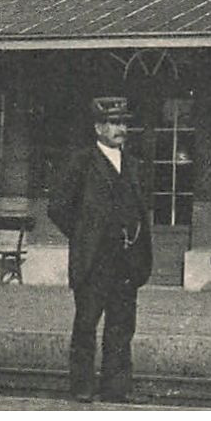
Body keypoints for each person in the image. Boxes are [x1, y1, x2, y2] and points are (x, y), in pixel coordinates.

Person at [48, 97, 154, 403]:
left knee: (121, 327)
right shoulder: (81, 162)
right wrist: (84, 235)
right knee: (86, 325)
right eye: (113, 123)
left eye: (123, 123)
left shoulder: (133, 164)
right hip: (94, 262)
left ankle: (116, 388)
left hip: (126, 263)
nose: (120, 128)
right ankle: (82, 387)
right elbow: (57, 208)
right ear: (98, 127)